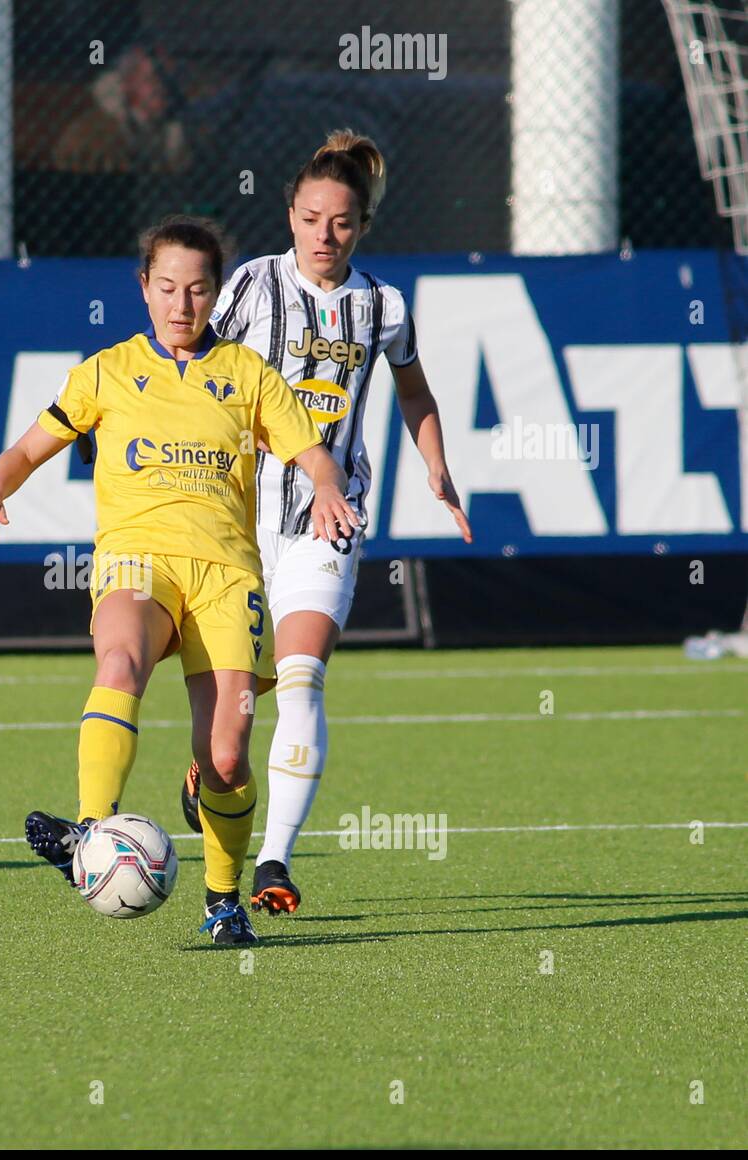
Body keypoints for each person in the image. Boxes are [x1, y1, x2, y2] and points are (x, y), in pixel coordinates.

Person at [0, 215, 358, 945]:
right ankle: (88, 829)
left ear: (215, 294)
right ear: (143, 288)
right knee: (121, 659)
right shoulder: (105, 371)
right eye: (167, 287)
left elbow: (313, 454)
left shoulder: (246, 375)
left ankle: (224, 898)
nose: (181, 303)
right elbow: (27, 447)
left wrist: (327, 489)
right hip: (137, 558)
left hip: (227, 575)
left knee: (226, 755)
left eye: (197, 290)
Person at [180, 132, 473, 917]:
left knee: (303, 675)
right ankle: (206, 771)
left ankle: (274, 858)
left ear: (362, 226)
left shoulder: (383, 304)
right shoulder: (249, 287)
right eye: (311, 218)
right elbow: (203, 375)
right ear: (290, 214)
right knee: (232, 717)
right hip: (235, 517)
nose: (323, 235)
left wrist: (436, 465)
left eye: (340, 223)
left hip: (328, 515)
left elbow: (415, 392)